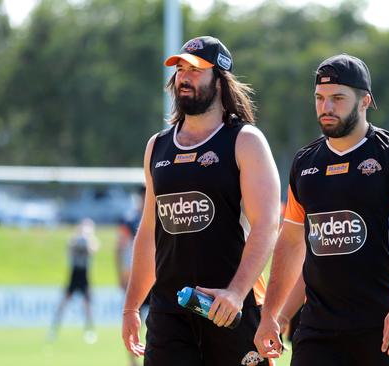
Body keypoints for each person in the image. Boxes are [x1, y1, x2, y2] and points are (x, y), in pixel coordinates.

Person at [254, 54, 389, 366]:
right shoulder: (305, 163)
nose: (326, 108)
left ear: (365, 101)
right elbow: (292, 244)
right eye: (320, 98)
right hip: (316, 330)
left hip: (382, 326)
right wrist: (276, 314)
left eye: (338, 98)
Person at [120, 36, 281, 366]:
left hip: (230, 310)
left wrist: (236, 293)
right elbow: (149, 230)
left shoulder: (245, 141)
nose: (183, 77)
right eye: (180, 69)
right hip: (170, 312)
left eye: (194, 70)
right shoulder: (158, 146)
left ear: (219, 81)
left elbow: (267, 225)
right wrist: (132, 306)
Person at [48, 218, 99, 344]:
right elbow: (69, 249)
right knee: (63, 303)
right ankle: (54, 328)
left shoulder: (91, 240)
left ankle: (89, 330)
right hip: (74, 274)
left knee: (87, 305)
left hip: (85, 276)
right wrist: (79, 238)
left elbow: (93, 249)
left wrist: (88, 239)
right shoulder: (74, 240)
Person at [116, 186, 148, 366]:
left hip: (155, 276)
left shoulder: (158, 216)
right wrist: (121, 273)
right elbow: (120, 248)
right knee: (134, 322)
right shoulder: (130, 220)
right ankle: (133, 363)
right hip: (134, 277)